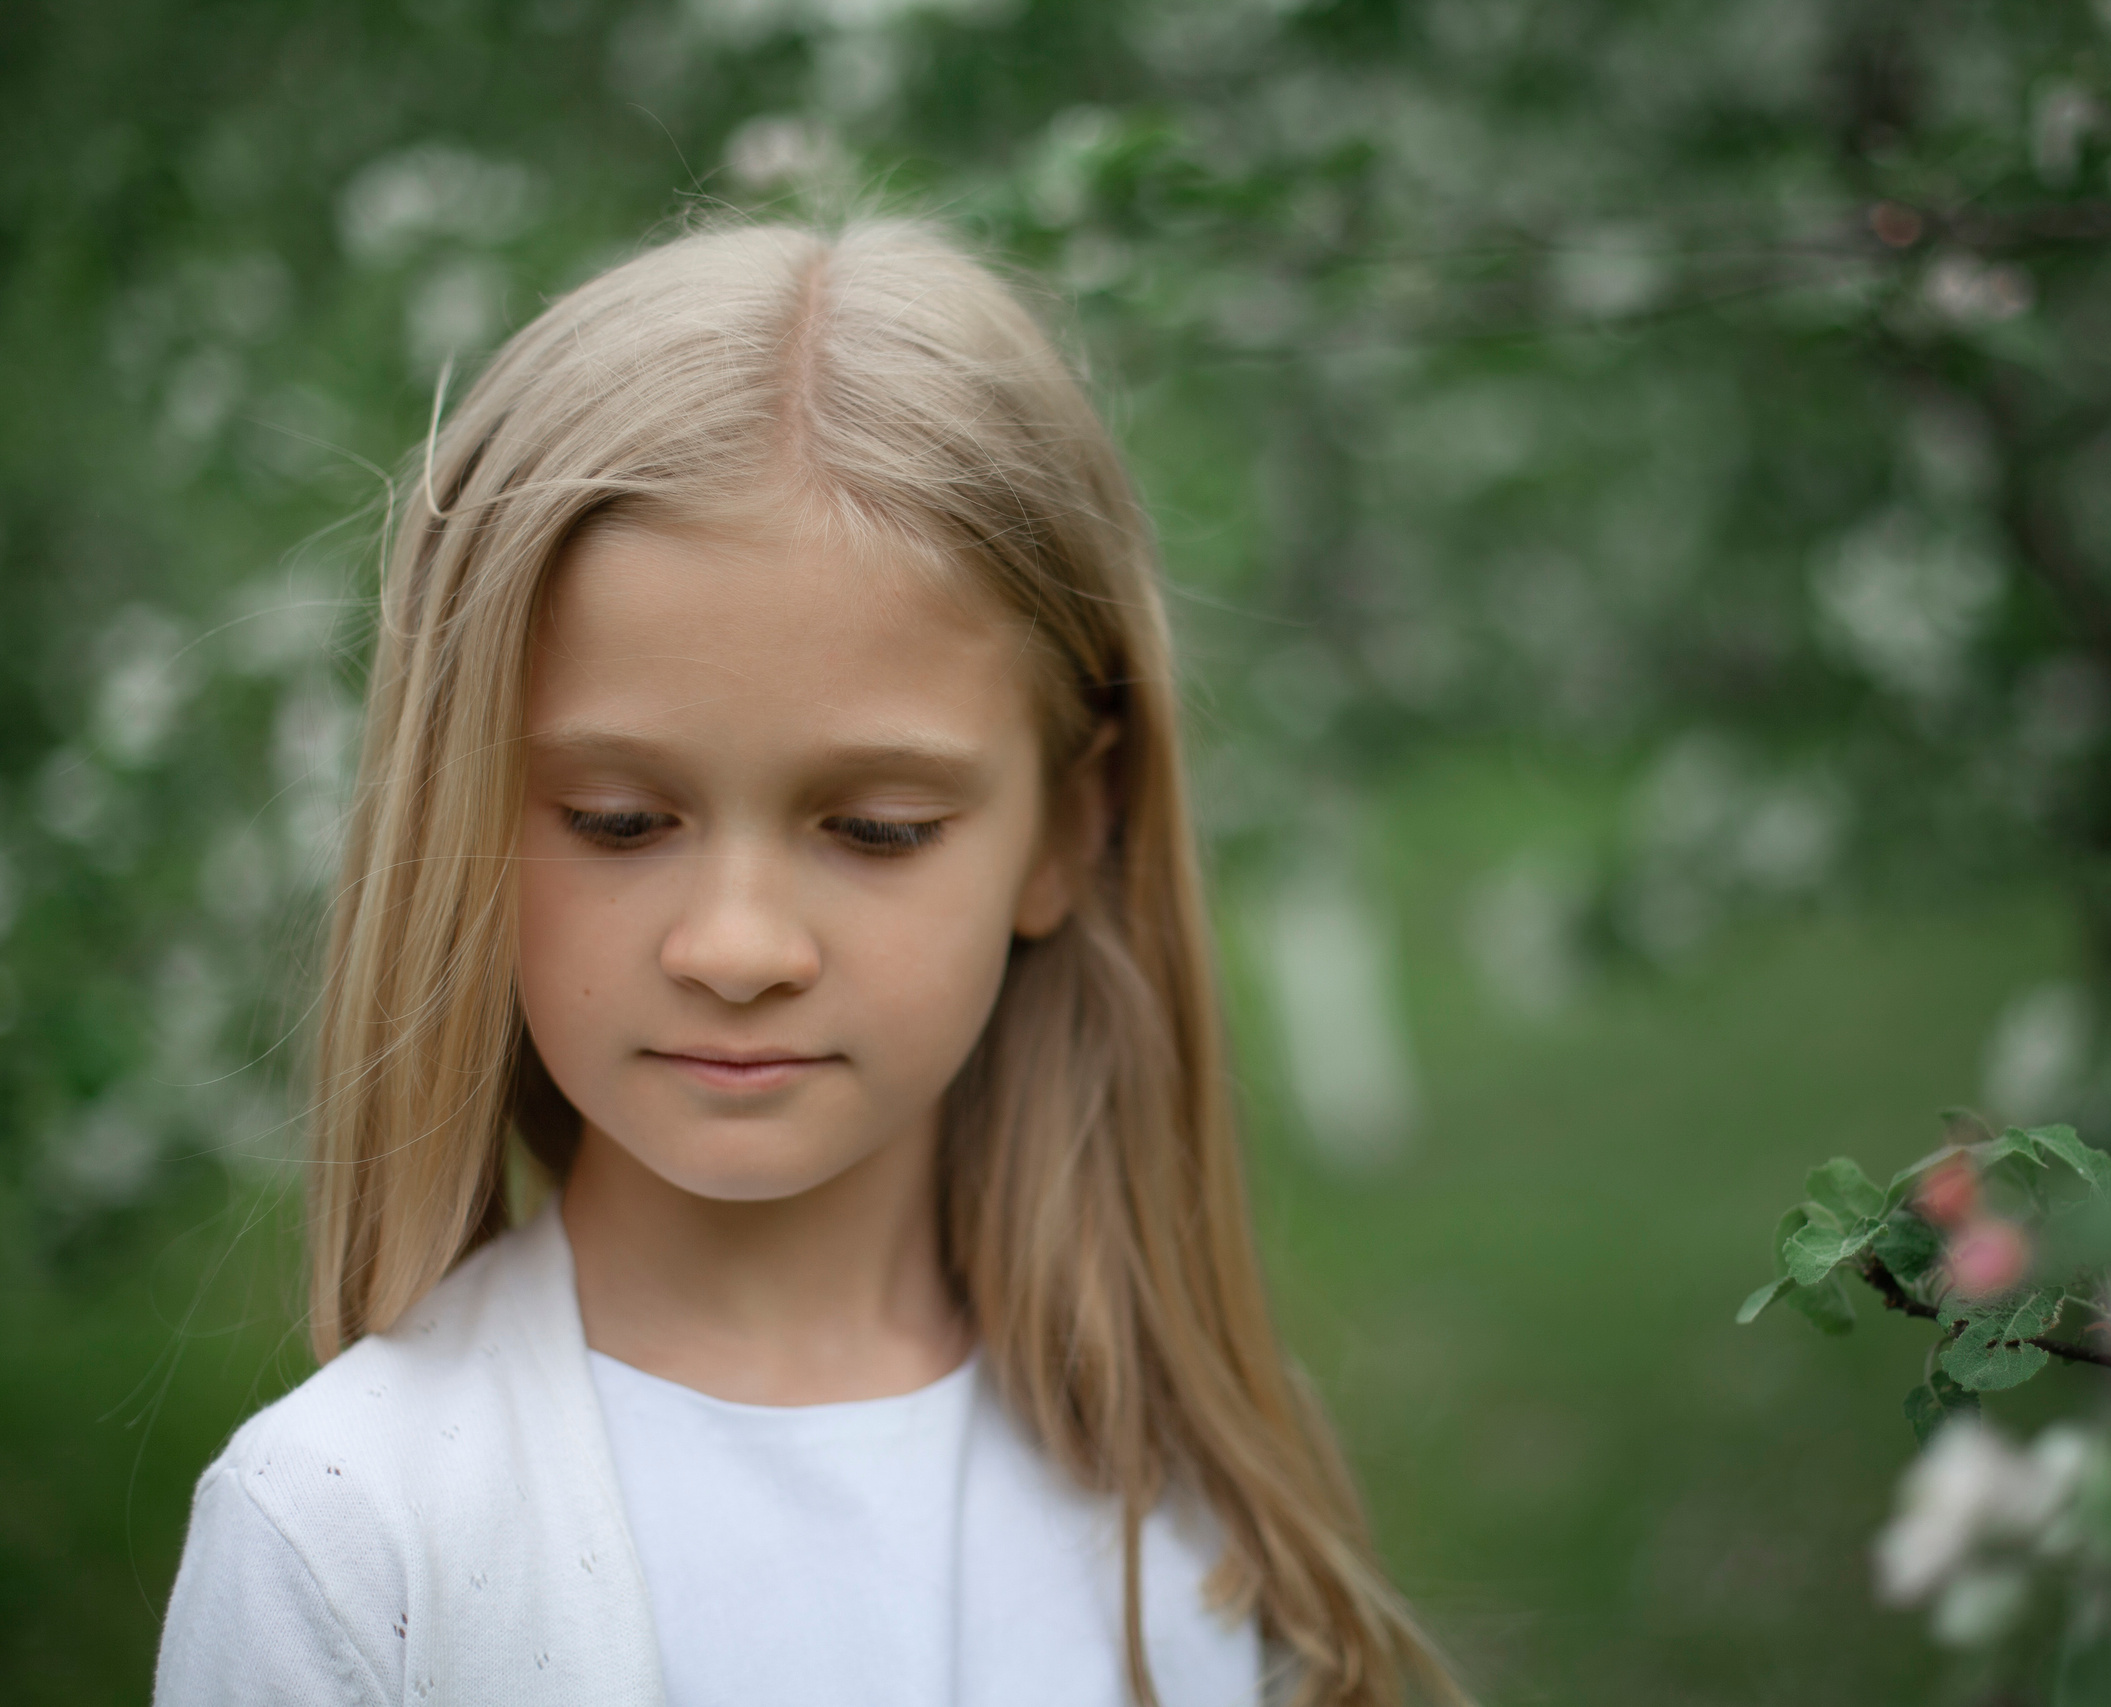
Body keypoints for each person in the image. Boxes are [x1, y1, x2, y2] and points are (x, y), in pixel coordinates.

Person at [155, 219, 1461, 1707]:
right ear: (459, 813)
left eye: (880, 829)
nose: (737, 949)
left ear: (1067, 828)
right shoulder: (347, 1536)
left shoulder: (1190, 1508)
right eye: (620, 819)